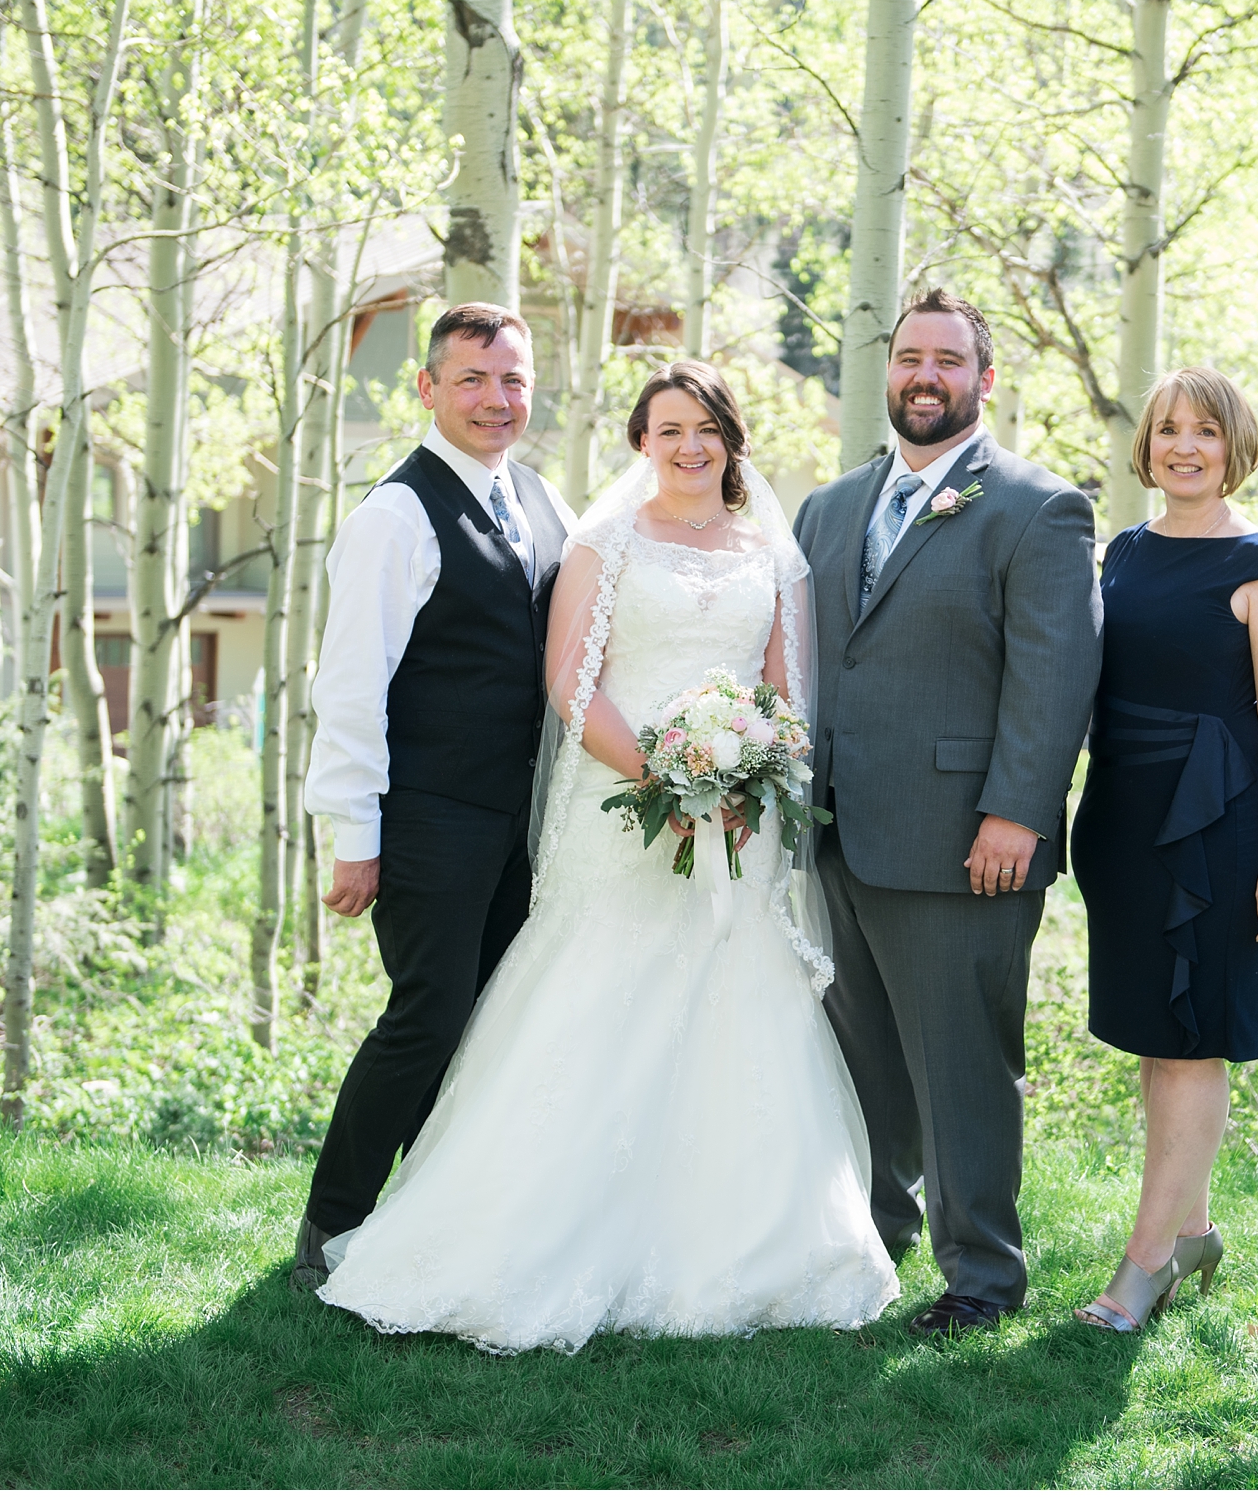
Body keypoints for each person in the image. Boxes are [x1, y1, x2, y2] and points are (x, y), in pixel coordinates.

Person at [313, 361, 898, 1353]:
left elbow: (784, 692)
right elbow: (573, 686)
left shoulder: (772, 552)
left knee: (735, 1009)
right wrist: (670, 782)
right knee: (587, 1004)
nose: (689, 447)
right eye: (668, 429)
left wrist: (748, 781)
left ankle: (750, 1245)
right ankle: (487, 1230)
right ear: (641, 442)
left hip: (739, 826)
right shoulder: (601, 542)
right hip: (624, 810)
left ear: (731, 440)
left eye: (707, 428)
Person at [793, 287, 1104, 1337]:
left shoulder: (1037, 506)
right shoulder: (829, 508)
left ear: (983, 379)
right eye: (909, 358)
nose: (925, 377)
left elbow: (1053, 677)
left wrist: (1016, 812)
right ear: (888, 371)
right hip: (836, 835)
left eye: (947, 361)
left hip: (967, 840)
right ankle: (874, 1251)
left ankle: (981, 1279)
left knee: (963, 1070)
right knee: (865, 1065)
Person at [291, 303, 576, 1288]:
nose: (496, 400)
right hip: (427, 818)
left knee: (493, 1028)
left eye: (512, 380)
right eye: (472, 380)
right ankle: (330, 1225)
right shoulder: (394, 516)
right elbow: (350, 688)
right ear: (427, 390)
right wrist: (352, 837)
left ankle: (435, 1221)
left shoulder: (543, 502)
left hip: (522, 828)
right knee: (427, 1018)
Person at [1068, 366, 1258, 1332]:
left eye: (1204, 431)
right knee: (1155, 1038)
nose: (1183, 446)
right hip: (1124, 821)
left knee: (1191, 1043)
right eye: (1167, 429)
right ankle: (1195, 1230)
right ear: (1147, 445)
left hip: (1218, 834)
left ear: (1233, 446)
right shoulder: (1120, 551)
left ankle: (1143, 1268)